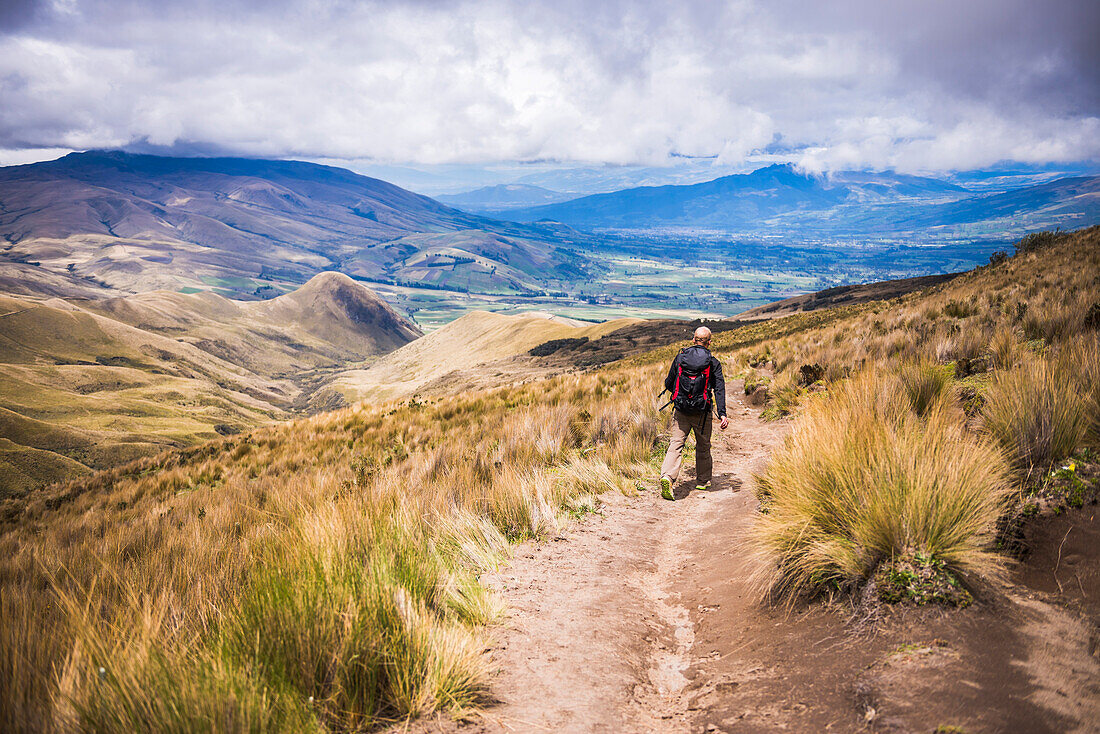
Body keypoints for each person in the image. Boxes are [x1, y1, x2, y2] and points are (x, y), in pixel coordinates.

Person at [659, 326, 729, 500]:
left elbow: (669, 383)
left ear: (693, 340)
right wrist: (722, 413)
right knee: (703, 445)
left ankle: (668, 476)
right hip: (702, 412)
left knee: (676, 444)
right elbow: (719, 388)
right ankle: (703, 480)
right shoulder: (713, 362)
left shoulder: (681, 357)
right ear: (709, 342)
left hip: (681, 409)